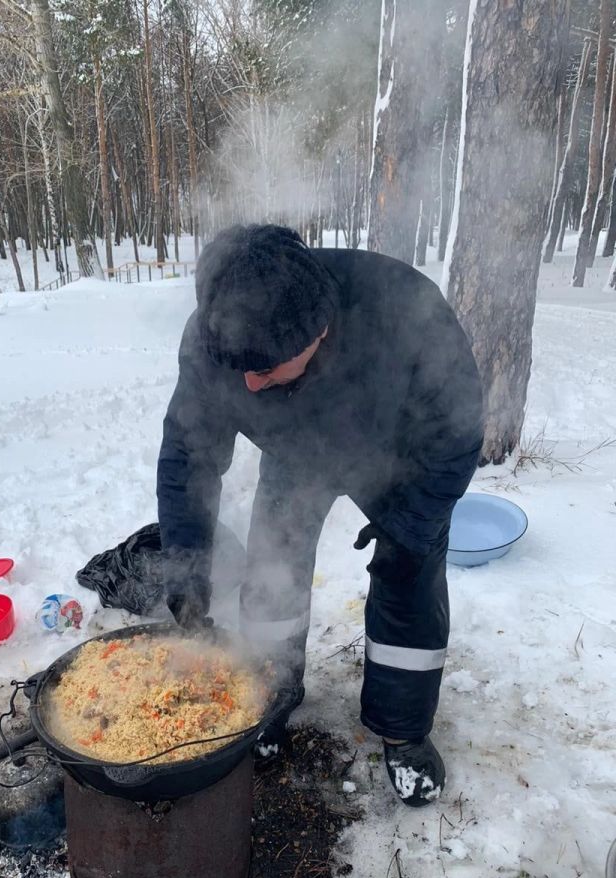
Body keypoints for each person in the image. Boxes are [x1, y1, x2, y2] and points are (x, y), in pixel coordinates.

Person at [156, 224, 483, 806]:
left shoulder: (403, 310)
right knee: (270, 568)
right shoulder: (215, 339)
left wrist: (410, 525)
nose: (249, 384)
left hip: (399, 460)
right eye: (240, 371)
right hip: (295, 454)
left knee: (408, 576)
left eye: (264, 369)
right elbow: (188, 458)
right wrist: (186, 571)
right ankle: (272, 691)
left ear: (315, 333)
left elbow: (456, 434)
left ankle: (403, 728)